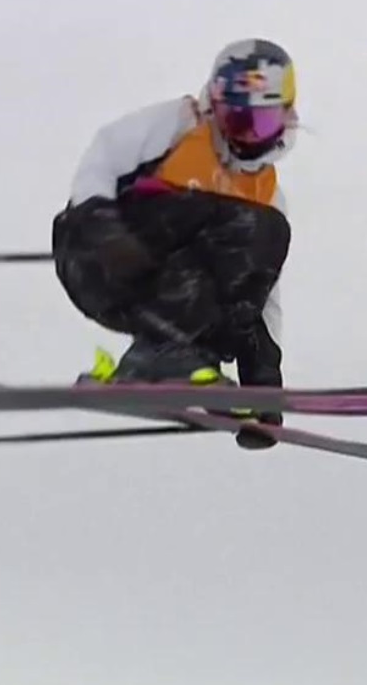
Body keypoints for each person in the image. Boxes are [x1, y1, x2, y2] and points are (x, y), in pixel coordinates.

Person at [50, 38, 298, 449]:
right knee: (248, 222)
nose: (247, 137)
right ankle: (163, 352)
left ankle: (176, 361)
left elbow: (261, 294)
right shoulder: (180, 124)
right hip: (101, 260)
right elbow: (102, 158)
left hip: (163, 301)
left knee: (263, 238)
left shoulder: (267, 196)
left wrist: (263, 381)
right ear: (215, 107)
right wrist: (101, 227)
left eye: (262, 123)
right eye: (237, 121)